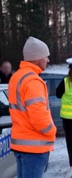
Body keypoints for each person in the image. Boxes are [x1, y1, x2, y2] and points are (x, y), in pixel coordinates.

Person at [8, 36, 57, 178]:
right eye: (46, 57)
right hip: (34, 147)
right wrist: (51, 131)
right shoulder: (33, 81)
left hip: (21, 144)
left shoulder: (16, 77)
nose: (47, 60)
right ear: (37, 58)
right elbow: (39, 118)